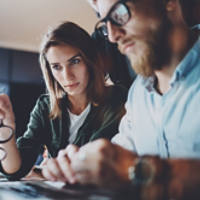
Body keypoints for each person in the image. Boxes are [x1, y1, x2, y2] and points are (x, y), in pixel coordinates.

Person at [41, 0, 200, 199]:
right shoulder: (138, 94)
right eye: (105, 23)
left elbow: (128, 168)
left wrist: (141, 170)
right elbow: (119, 156)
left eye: (120, 13)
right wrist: (79, 165)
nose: (114, 36)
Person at [0, 21, 127, 180]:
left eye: (75, 61)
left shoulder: (117, 98)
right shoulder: (45, 106)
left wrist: (43, 172)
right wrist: (6, 131)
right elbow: (16, 170)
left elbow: (87, 162)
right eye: (56, 67)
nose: (67, 76)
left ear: (90, 61)